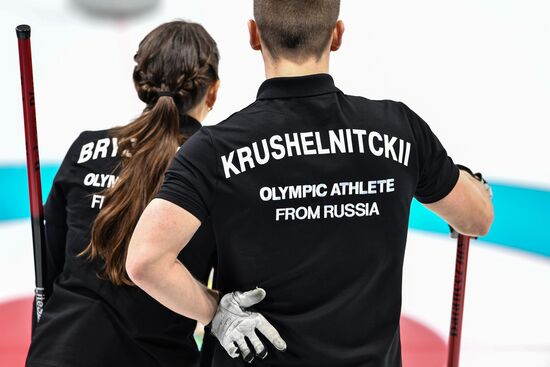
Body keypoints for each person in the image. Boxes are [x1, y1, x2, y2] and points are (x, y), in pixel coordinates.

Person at [126, 1, 495, 366]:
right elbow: (475, 219)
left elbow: (145, 261)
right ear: (336, 35)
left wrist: (214, 311)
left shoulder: (215, 149)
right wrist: (471, 187)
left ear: (254, 35)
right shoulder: (398, 129)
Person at [26, 21, 221, 367]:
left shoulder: (86, 148)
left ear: (139, 84)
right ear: (213, 92)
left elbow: (49, 268)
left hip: (56, 352)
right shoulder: (216, 168)